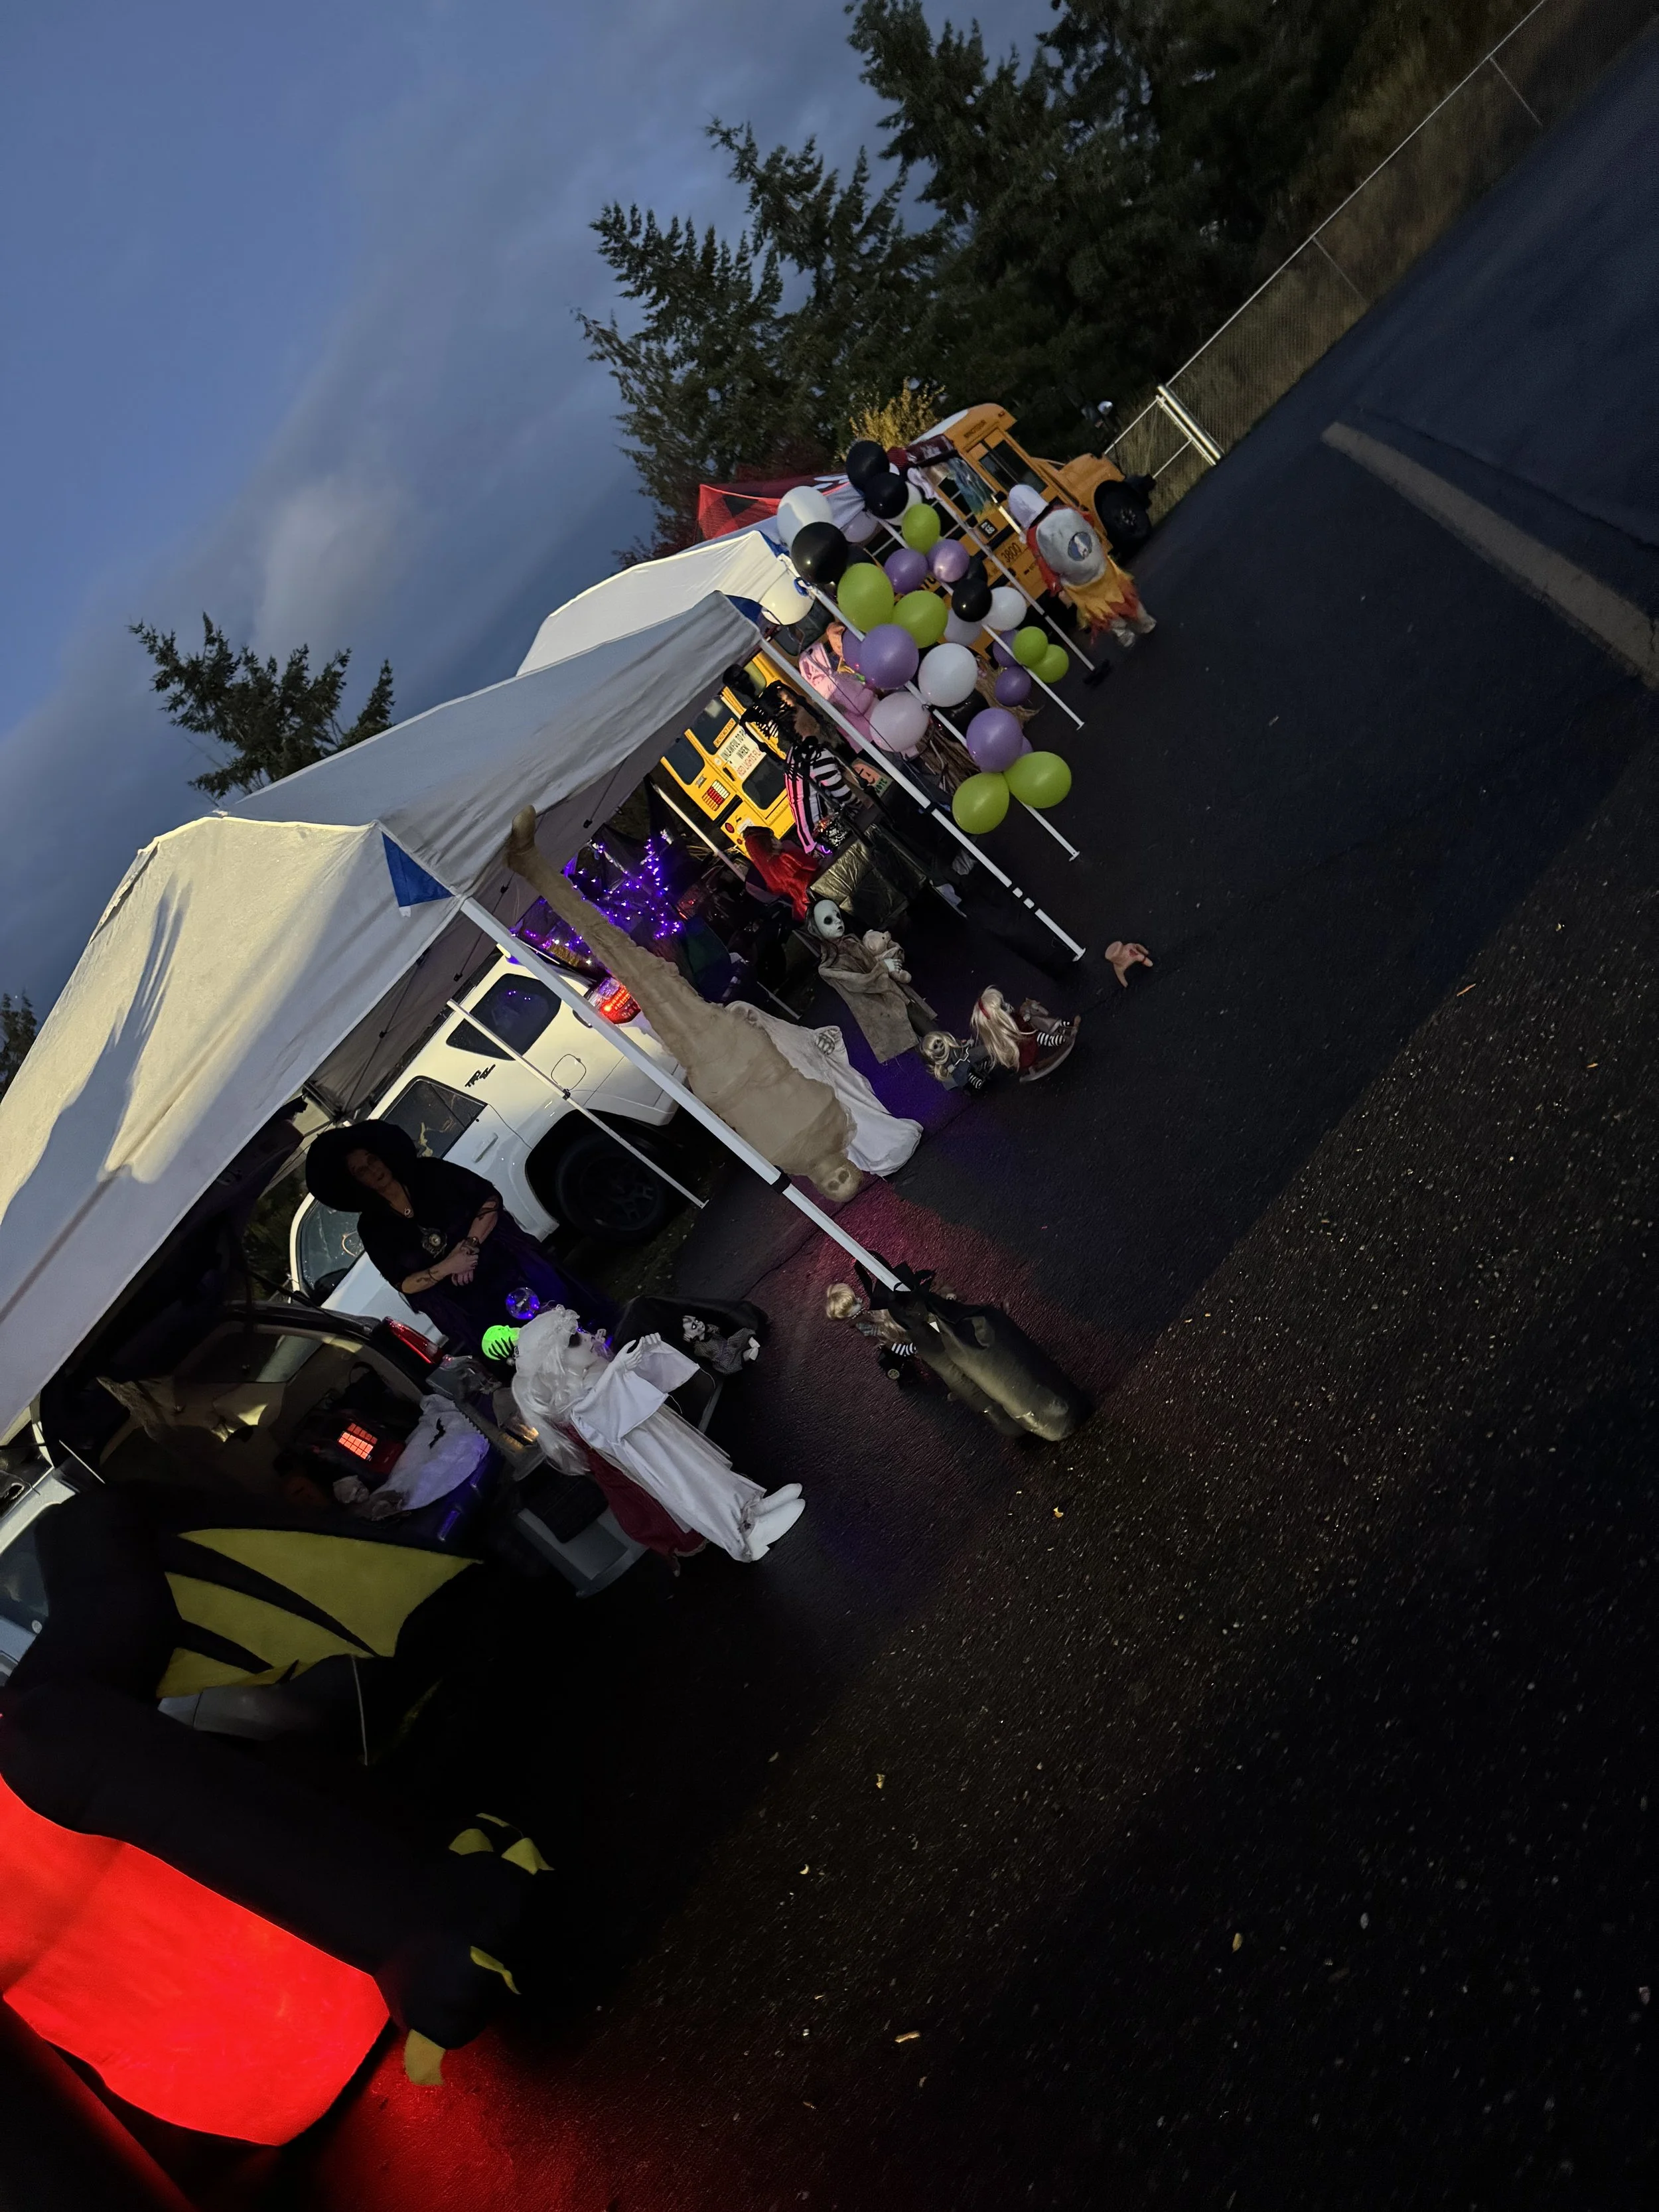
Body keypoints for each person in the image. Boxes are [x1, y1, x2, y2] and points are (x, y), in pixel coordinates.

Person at [305, 1121, 607, 1356]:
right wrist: (449, 1266)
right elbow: (403, 1282)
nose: (373, 1170)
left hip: (509, 1268)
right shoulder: (372, 1227)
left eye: (372, 1160)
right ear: (357, 1182)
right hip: (472, 1307)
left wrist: (470, 1247)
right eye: (362, 1171)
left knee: (573, 1320)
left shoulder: (429, 1172)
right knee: (525, 1355)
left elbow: (489, 1198)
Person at [1006, 483, 1157, 652]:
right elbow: (1088, 520)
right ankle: (1145, 621)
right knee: (1120, 591)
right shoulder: (1061, 509)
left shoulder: (1033, 536)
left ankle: (1123, 634)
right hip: (1099, 563)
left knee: (1097, 606)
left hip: (1078, 581)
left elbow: (1045, 564)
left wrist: (1056, 587)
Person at [741, 824, 821, 921]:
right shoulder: (785, 859)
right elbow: (813, 868)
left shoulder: (770, 873)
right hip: (817, 893)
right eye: (773, 837)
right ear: (771, 842)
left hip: (804, 909)